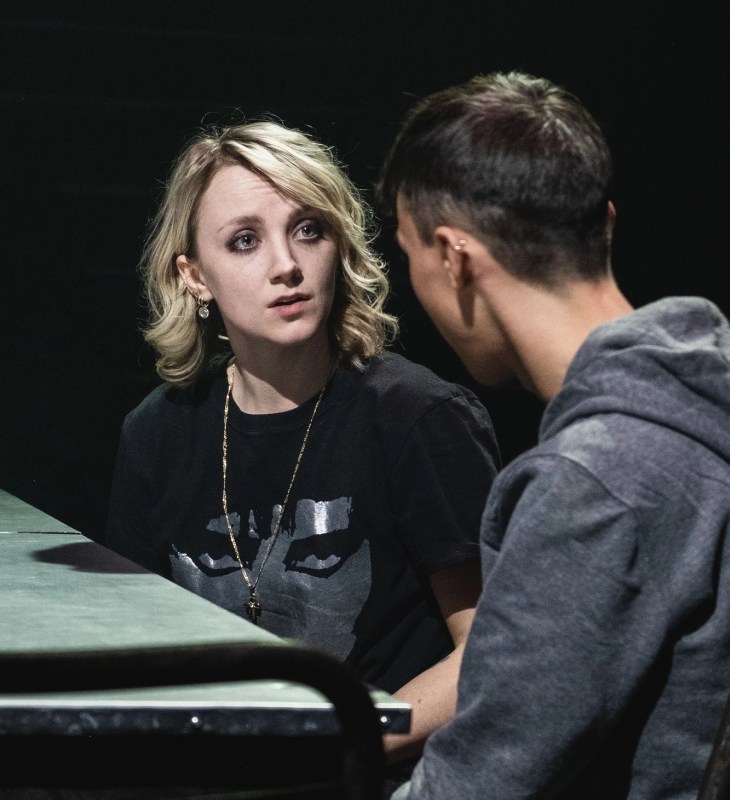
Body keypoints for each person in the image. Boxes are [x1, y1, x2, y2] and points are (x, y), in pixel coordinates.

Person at [376, 71, 730, 799]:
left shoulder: (594, 486)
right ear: (604, 221)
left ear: (453, 258)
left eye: (408, 252)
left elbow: (475, 786)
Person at [105, 117, 501, 790]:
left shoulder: (415, 417)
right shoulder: (157, 434)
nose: (286, 264)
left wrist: (336, 744)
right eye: (245, 241)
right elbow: (133, 656)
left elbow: (492, 651)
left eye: (308, 230)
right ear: (194, 276)